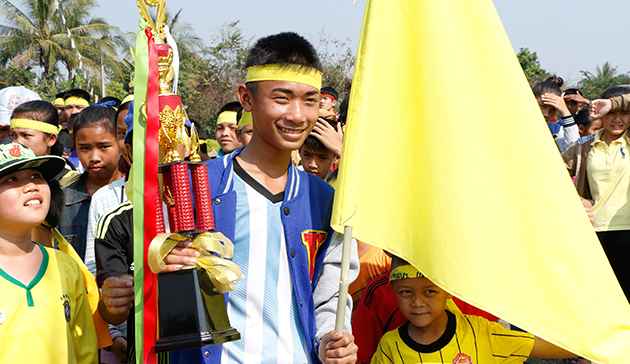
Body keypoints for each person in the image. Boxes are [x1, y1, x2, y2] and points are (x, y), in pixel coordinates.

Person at [102, 31, 359, 364]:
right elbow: (150, 281)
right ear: (246, 98)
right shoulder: (192, 187)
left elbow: (329, 297)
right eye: (282, 98)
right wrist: (127, 291)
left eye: (310, 100)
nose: (298, 115)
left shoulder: (327, 201)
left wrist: (330, 341)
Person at [0, 137, 98, 363]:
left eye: (37, 176)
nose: (32, 185)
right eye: (12, 178)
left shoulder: (66, 265)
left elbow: (86, 351)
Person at [371, 257, 574, 363]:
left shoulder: (480, 333)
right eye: (406, 292)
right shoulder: (390, 346)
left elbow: (536, 345)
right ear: (394, 291)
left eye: (430, 291)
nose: (417, 302)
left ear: (449, 290)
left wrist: (599, 347)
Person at [563, 86, 630, 302]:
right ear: (600, 114)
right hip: (594, 232)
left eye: (624, 112)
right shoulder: (584, 146)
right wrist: (577, 200)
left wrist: (612, 103)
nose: (617, 119)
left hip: (627, 233)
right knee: (598, 301)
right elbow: (552, 174)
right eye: (611, 113)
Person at [59, 104, 122, 261]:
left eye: (104, 147)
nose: (94, 157)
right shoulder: (61, 201)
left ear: (120, 143)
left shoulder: (135, 195)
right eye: (85, 148)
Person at [533, 81, 578, 153]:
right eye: (543, 106)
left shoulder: (556, 131)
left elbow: (573, 150)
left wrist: (565, 111)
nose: (546, 114)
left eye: (553, 110)